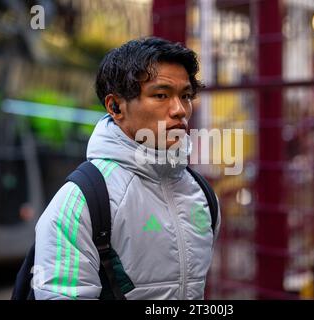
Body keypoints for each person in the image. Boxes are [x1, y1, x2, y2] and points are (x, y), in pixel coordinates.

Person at [33, 37, 221, 300]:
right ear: (115, 106)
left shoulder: (201, 194)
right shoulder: (81, 201)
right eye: (161, 95)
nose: (180, 110)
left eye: (186, 96)